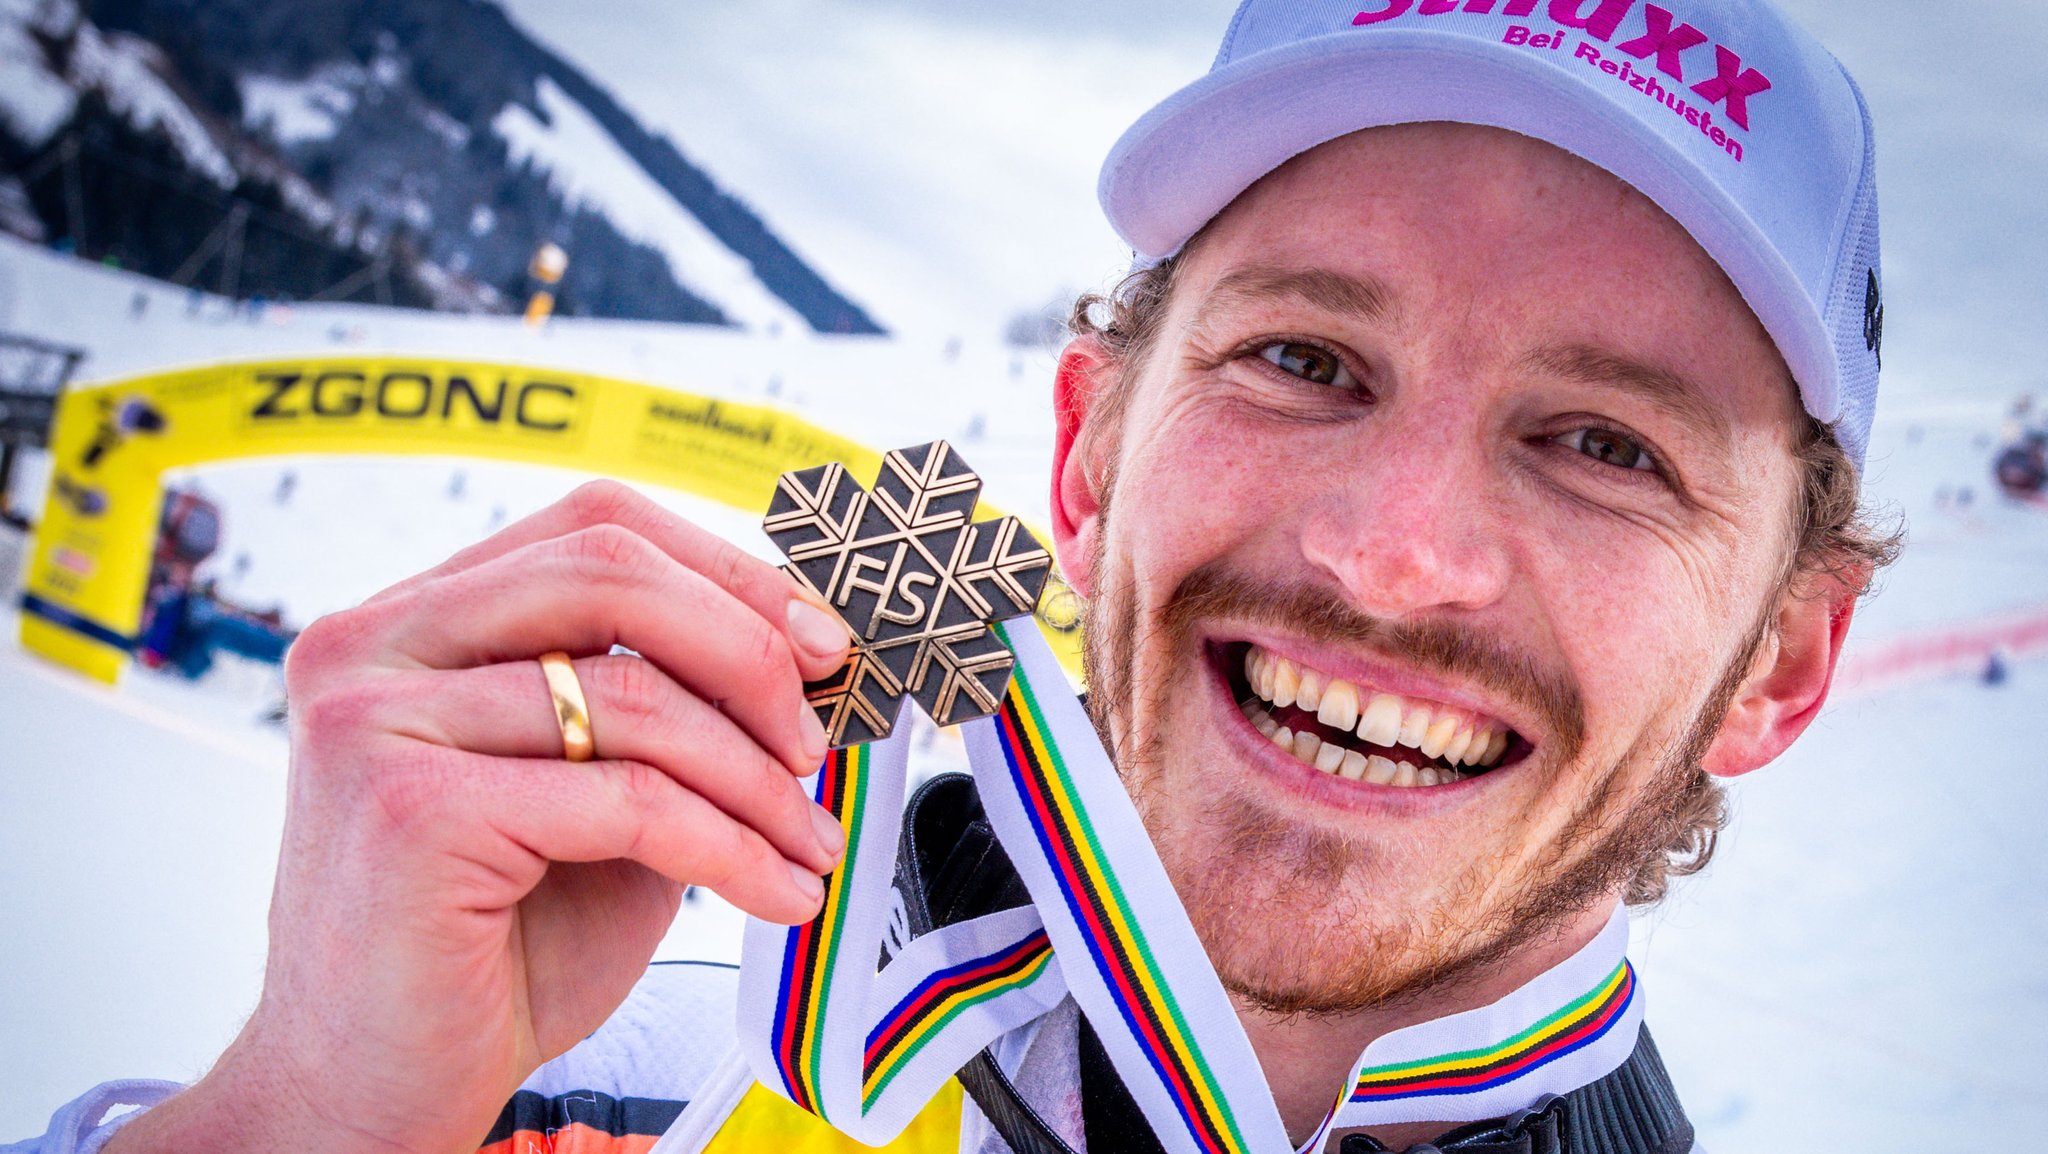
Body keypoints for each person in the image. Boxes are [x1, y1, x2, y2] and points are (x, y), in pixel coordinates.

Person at [12, 1, 1901, 1152]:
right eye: (1307, 359)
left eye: (1608, 446)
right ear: (1085, 455)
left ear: (1784, 662)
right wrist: (298, 1122)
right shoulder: (580, 1082)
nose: (1390, 550)